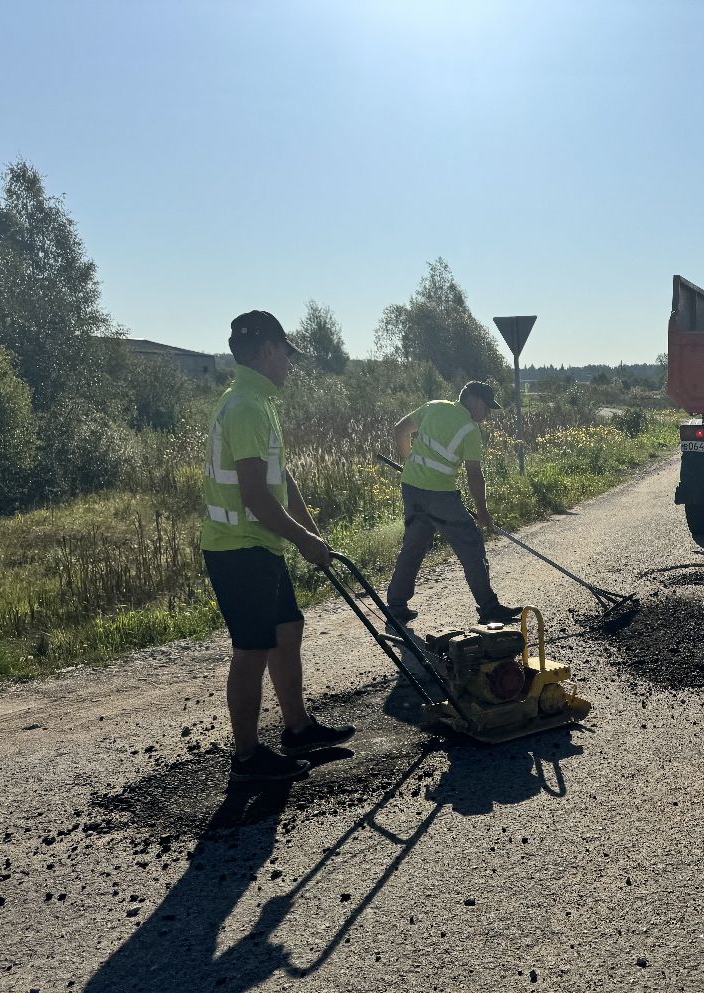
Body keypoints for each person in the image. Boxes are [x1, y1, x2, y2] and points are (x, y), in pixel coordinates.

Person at [201, 310, 355, 784]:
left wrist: (310, 530)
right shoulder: (246, 405)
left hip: (259, 544)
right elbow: (253, 494)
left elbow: (279, 477)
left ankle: (298, 728)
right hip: (238, 548)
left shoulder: (257, 400)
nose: (289, 362)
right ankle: (247, 759)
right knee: (252, 649)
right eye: (286, 353)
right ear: (267, 349)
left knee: (288, 627)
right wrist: (303, 540)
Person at [386, 381, 522, 626]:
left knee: (414, 545)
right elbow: (474, 474)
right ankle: (489, 607)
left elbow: (399, 430)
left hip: (412, 489)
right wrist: (482, 512)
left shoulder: (434, 406)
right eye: (486, 407)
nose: (488, 414)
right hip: (441, 496)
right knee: (471, 545)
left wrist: (409, 462)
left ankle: (396, 606)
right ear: (473, 399)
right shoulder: (470, 429)